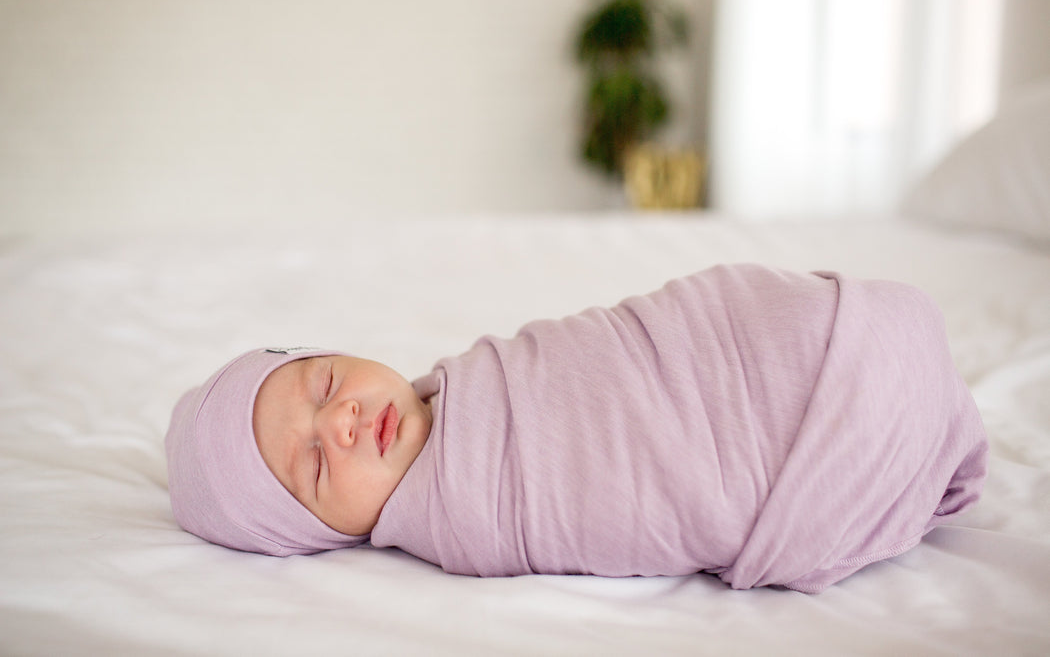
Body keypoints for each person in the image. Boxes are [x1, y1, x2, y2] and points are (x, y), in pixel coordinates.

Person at [166, 264, 988, 592]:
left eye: (326, 383)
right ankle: (870, 398)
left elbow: (630, 354)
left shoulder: (473, 383)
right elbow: (637, 471)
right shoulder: (466, 512)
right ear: (319, 534)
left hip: (770, 335)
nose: (339, 423)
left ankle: (849, 355)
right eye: (312, 466)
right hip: (819, 420)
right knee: (872, 359)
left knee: (795, 324)